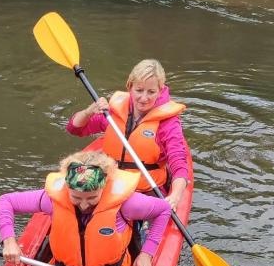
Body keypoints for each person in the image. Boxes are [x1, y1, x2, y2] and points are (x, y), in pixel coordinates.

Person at [0, 151, 172, 266]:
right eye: (76, 197)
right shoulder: (52, 199)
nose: (83, 204)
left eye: (91, 198)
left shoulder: (127, 203)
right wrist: (9, 241)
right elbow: (6, 201)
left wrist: (146, 254)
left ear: (104, 185)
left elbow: (164, 210)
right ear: (67, 187)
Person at [67, 59, 191, 213]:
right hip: (108, 183)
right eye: (139, 90)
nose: (144, 98)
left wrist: (175, 196)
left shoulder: (168, 122)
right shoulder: (115, 111)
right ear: (130, 87)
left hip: (146, 190)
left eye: (151, 92)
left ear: (160, 91)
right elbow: (75, 128)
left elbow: (178, 162)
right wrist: (88, 112)